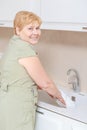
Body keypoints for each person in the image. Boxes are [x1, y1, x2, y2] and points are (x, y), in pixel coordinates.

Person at [0, 11, 66, 130]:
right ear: (18, 30)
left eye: (37, 28)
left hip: (7, 102)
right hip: (17, 106)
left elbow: (18, 75)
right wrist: (60, 96)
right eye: (30, 28)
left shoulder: (14, 44)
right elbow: (46, 83)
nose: (35, 33)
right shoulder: (24, 50)